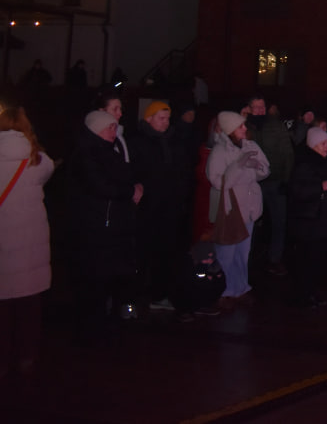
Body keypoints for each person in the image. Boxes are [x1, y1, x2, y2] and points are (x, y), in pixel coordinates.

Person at [71, 109, 143, 337]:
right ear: (96, 129)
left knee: (111, 274)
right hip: (97, 225)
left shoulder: (108, 151)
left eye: (114, 127)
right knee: (95, 277)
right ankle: (93, 324)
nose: (114, 131)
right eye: (109, 127)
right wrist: (130, 190)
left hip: (112, 225)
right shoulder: (87, 154)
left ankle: (110, 316)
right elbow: (100, 186)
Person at [0, 108, 55, 377]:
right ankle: (27, 358)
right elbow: (49, 170)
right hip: (30, 247)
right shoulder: (38, 161)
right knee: (29, 305)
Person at [131, 100, 196, 311]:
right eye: (161, 118)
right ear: (149, 119)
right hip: (148, 206)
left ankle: (160, 293)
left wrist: (180, 193)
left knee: (166, 252)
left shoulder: (173, 140)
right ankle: (138, 293)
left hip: (170, 206)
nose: (166, 122)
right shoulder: (138, 141)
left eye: (168, 118)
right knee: (143, 251)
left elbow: (183, 169)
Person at [206, 111, 269, 307]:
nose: (245, 128)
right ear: (230, 129)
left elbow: (265, 170)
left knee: (243, 251)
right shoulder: (220, 151)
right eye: (240, 126)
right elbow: (217, 180)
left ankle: (240, 287)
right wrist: (238, 168)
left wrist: (258, 168)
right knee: (227, 251)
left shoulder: (251, 146)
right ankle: (223, 290)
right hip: (231, 208)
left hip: (250, 206)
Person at [287, 126, 327, 307]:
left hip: (322, 221)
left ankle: (312, 292)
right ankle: (304, 294)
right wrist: (319, 187)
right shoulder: (305, 164)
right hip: (310, 223)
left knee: (318, 261)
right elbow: (297, 190)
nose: (326, 147)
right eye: (323, 144)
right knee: (307, 260)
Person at [244, 97, 293, 276]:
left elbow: (287, 153)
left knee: (279, 222)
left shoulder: (276, 126)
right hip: (252, 184)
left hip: (275, 181)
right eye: (255, 107)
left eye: (262, 107)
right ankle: (247, 259)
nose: (259, 110)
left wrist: (286, 180)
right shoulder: (244, 126)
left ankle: (274, 259)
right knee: (250, 223)